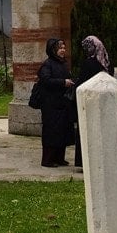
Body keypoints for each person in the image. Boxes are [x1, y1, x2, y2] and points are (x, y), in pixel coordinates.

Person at [72, 35, 112, 169]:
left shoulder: (88, 63)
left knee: (87, 131)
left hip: (89, 102)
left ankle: (84, 161)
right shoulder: (106, 62)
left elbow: (82, 83)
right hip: (104, 102)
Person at [36, 38, 74, 167]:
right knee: (51, 131)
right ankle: (48, 160)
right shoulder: (47, 64)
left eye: (64, 48)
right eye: (59, 48)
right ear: (53, 50)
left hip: (62, 103)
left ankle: (59, 158)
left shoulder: (62, 63)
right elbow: (46, 80)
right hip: (50, 104)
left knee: (62, 130)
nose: (63, 50)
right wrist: (63, 82)